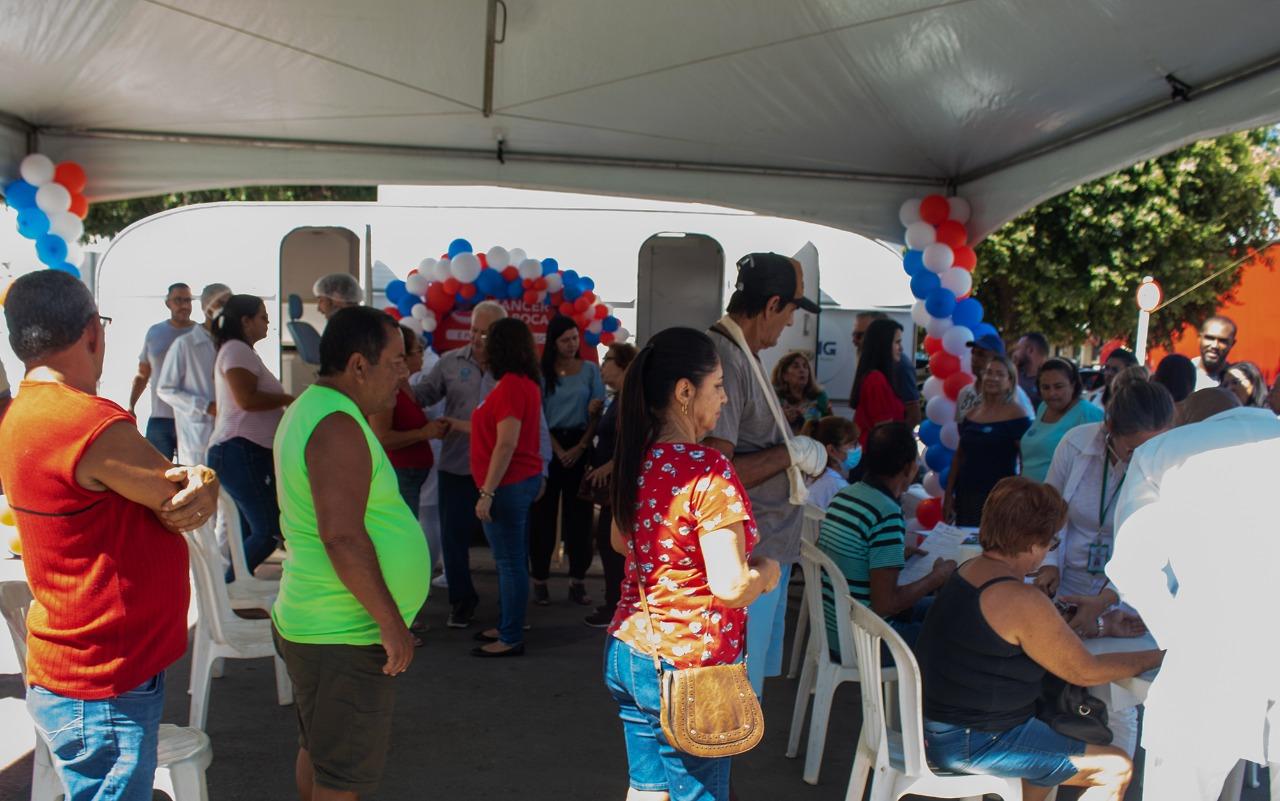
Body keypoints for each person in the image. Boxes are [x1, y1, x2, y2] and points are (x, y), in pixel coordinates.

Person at [0, 270, 217, 801]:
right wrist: (202, 479)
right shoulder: (85, 423)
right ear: (92, 332)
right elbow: (178, 495)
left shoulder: (21, 413)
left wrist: (197, 483)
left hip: (84, 671)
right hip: (104, 680)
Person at [604, 327, 781, 801]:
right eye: (718, 385)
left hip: (632, 652)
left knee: (646, 790)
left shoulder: (636, 458)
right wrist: (766, 573)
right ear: (685, 391)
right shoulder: (707, 468)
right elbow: (729, 586)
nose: (724, 399)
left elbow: (622, 542)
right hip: (691, 667)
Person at [915, 477, 1163, 801]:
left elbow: (1020, 638)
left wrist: (1100, 626)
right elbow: (1084, 670)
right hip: (973, 741)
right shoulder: (1019, 598)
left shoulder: (969, 570)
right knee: (1116, 766)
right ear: (1033, 544)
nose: (1048, 551)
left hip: (942, 727)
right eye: (1051, 543)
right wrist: (1158, 656)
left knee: (1053, 737)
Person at [271, 306, 430, 801]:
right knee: (341, 779)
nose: (403, 371)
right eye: (396, 360)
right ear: (359, 365)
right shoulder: (336, 424)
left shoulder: (314, 410)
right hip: (343, 632)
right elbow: (341, 535)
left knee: (321, 757)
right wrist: (389, 622)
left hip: (323, 624)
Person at [1109, 394, 1280, 800]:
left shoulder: (1163, 451)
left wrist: (1176, 635)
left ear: (1184, 419)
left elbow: (1132, 567)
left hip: (1209, 652)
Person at [1031, 369, 1174, 756]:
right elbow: (1049, 513)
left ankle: (1112, 780)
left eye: (1157, 447)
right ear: (1109, 428)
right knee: (1057, 684)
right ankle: (1052, 772)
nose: (1148, 459)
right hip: (1070, 582)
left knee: (1118, 700)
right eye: (1136, 449)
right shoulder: (1075, 444)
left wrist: (1109, 600)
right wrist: (1050, 564)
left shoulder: (1170, 461)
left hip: (1128, 595)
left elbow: (1154, 545)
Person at [703, 252, 827, 697]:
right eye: (793, 309)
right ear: (773, 305)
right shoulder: (727, 359)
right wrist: (788, 453)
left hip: (765, 552)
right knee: (732, 695)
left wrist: (787, 457)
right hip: (747, 557)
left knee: (744, 690)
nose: (791, 323)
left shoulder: (742, 354)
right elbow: (715, 472)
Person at [448, 317, 545, 657]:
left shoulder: (510, 388)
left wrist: (487, 492)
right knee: (512, 561)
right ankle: (508, 624)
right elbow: (493, 432)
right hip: (517, 482)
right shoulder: (521, 384)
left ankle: (510, 635)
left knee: (509, 562)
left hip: (508, 485)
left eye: (488, 337)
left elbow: (506, 444)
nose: (482, 343)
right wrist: (455, 425)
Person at [412, 300, 507, 628]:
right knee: (453, 540)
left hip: (500, 471)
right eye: (475, 331)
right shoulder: (450, 363)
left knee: (505, 543)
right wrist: (396, 381)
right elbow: (423, 395)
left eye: (488, 333)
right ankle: (461, 602)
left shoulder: (514, 371)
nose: (479, 339)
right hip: (456, 465)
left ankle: (510, 610)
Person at [817, 421, 954, 648]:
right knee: (957, 628)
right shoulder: (886, 513)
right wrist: (937, 578)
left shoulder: (847, 495)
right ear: (910, 468)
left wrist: (896, 554)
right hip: (866, 642)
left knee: (944, 607)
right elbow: (886, 604)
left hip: (835, 626)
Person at [209, 294, 293, 578]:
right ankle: (230, 588)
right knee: (268, 531)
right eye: (263, 317)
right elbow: (246, 399)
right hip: (240, 449)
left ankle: (236, 592)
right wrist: (288, 399)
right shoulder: (236, 351)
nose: (268, 323)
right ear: (245, 322)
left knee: (248, 531)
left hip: (245, 451)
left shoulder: (241, 351)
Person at [531, 314, 606, 607]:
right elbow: (538, 414)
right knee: (542, 517)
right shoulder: (542, 372)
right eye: (565, 340)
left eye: (575, 338)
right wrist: (557, 449)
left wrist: (581, 446)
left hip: (581, 445)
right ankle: (539, 580)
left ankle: (578, 580)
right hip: (549, 446)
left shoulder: (589, 371)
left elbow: (597, 413)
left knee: (580, 518)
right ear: (553, 342)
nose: (571, 345)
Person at [582, 341, 638, 628]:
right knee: (606, 542)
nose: (603, 366)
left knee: (613, 543)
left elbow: (636, 443)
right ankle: (613, 601)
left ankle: (617, 605)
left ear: (625, 365)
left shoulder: (632, 401)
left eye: (609, 360)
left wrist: (611, 465)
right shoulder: (614, 399)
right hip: (610, 487)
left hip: (620, 485)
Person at [944, 356, 1031, 526]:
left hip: (999, 498)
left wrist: (1019, 496)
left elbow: (1026, 460)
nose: (992, 378)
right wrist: (948, 494)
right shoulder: (972, 412)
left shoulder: (1017, 415)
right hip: (966, 495)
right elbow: (959, 456)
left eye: (999, 374)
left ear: (1010, 381)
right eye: (989, 372)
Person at [369, 326, 448, 510]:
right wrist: (423, 433)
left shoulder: (404, 383)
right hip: (399, 474)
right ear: (402, 355)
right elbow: (382, 437)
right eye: (419, 350)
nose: (423, 356)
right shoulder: (385, 386)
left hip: (411, 475)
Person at [156, 282, 232, 466]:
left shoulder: (230, 343)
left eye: (229, 304)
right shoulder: (185, 344)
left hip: (228, 431)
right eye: (221, 302)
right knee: (201, 488)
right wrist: (205, 406)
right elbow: (165, 389)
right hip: (198, 433)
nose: (226, 309)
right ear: (207, 306)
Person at [131, 282, 197, 460]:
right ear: (168, 303)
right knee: (156, 474)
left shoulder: (201, 334)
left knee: (196, 474)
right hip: (161, 418)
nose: (184, 305)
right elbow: (143, 373)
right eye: (178, 300)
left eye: (187, 300)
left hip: (194, 419)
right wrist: (131, 405)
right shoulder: (155, 332)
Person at [1019, 358, 1103, 483]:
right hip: (1029, 495)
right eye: (1045, 388)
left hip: (1059, 499)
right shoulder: (1043, 407)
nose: (1052, 393)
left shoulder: (1088, 413)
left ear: (1073, 385)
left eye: (1058, 387)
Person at [853, 310, 921, 427]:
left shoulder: (899, 367)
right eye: (897, 342)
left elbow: (913, 414)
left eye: (860, 335)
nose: (855, 340)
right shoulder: (876, 378)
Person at [851, 317, 906, 447]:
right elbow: (884, 432)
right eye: (897, 342)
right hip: (877, 457)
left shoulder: (879, 377)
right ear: (884, 344)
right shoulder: (876, 379)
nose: (901, 348)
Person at [954, 332, 1035, 421]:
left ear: (998, 358)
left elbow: (1029, 429)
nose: (974, 358)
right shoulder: (965, 393)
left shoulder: (1015, 394)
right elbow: (961, 429)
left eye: (981, 354)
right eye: (973, 352)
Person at [800, 415, 859, 510]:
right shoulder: (840, 488)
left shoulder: (805, 477)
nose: (857, 448)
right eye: (852, 444)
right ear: (831, 450)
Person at [772, 351, 831, 434]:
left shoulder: (819, 395)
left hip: (815, 444)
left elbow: (831, 426)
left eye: (805, 367)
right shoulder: (774, 396)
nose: (802, 370)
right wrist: (782, 418)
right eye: (796, 367)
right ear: (785, 376)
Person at [1191, 315, 1237, 390]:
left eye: (1222, 341)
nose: (1214, 345)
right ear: (1199, 338)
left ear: (1232, 343)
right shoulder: (1182, 373)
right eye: (1210, 338)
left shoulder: (1236, 380)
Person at [1013, 332, 1050, 408]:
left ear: (1030, 350)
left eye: (1018, 349)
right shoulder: (1016, 374)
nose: (1015, 353)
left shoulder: (1050, 379)